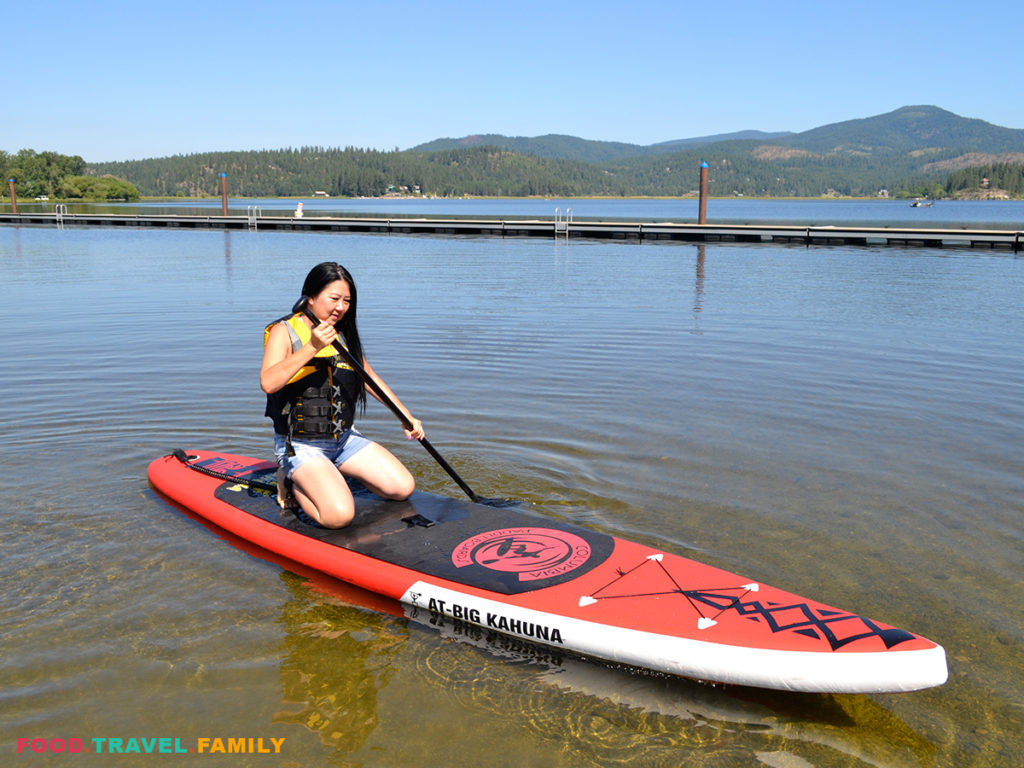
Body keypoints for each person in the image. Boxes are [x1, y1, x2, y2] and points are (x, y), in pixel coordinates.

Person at [260, 262, 424, 528]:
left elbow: (369, 379)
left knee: (402, 487)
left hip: (344, 440)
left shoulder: (343, 334)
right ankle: (289, 477)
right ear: (310, 297)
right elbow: (268, 383)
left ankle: (327, 474)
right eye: (334, 298)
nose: (340, 307)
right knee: (339, 516)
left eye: (347, 301)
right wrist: (312, 346)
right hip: (301, 445)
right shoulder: (284, 331)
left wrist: (406, 416)